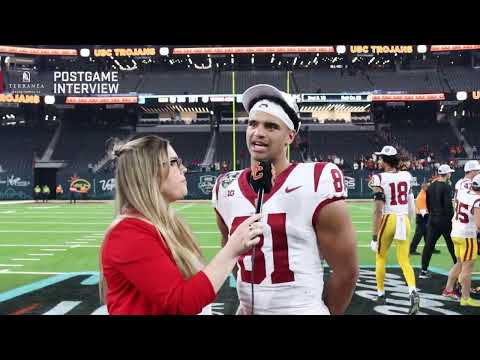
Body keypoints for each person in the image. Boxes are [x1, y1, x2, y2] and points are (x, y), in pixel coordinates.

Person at [213, 84, 359, 315]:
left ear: (289, 136)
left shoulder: (317, 179)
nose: (258, 132)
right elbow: (233, 257)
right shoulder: (225, 186)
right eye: (253, 123)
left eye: (271, 126)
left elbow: (346, 272)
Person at [99, 135, 262, 315]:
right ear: (150, 172)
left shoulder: (162, 224)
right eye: (174, 162)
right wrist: (232, 250)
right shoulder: (128, 234)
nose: (183, 168)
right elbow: (181, 303)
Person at [369, 146, 420, 314]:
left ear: (384, 160)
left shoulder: (379, 178)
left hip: (388, 218)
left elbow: (378, 209)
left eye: (380, 158)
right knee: (404, 260)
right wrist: (409, 221)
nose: (378, 161)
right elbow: (411, 202)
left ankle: (381, 293)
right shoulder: (407, 175)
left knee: (381, 256)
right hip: (404, 218)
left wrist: (374, 236)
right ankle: (412, 291)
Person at [442, 174, 480, 306]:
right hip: (467, 235)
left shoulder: (463, 193)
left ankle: (448, 289)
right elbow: (479, 223)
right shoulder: (477, 199)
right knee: (467, 268)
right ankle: (465, 298)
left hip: (456, 232)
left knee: (459, 263)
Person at [420, 164, 457, 279]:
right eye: (450, 172)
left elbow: (428, 204)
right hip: (445, 220)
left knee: (428, 246)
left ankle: (423, 270)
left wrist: (432, 215)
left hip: (433, 219)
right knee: (452, 246)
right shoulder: (446, 187)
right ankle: (458, 268)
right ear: (447, 174)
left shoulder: (431, 186)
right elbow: (448, 206)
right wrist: (453, 219)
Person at [410, 182, 437, 255]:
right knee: (418, 235)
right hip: (422, 217)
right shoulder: (422, 196)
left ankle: (430, 248)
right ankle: (412, 249)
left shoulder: (426, 194)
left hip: (424, 216)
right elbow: (423, 211)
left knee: (428, 234)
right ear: (424, 188)